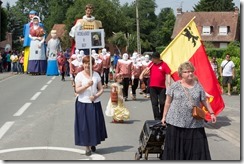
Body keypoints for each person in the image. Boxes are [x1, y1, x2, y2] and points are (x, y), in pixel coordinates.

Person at [161, 61, 217, 160]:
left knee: (195, 148)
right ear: (181, 74)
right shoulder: (174, 86)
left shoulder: (198, 86)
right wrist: (164, 116)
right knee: (176, 148)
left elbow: (204, 100)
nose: (190, 73)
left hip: (194, 123)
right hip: (176, 122)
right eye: (186, 72)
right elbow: (168, 102)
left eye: (191, 71)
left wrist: (212, 113)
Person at [74, 55, 107, 156]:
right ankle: (87, 146)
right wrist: (86, 85)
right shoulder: (79, 75)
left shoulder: (96, 75)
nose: (87, 65)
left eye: (89, 64)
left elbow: (101, 89)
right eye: (85, 63)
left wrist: (96, 95)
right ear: (82, 64)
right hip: (83, 103)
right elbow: (77, 90)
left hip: (94, 103)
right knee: (84, 126)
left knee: (94, 124)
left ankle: (93, 142)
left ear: (93, 65)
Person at [139, 52, 171, 120]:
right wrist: (142, 75)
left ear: (157, 58)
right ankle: (157, 117)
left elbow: (168, 74)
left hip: (162, 87)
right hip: (152, 86)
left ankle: (163, 116)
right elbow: (146, 69)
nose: (152, 60)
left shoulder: (164, 65)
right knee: (154, 103)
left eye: (153, 58)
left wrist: (168, 84)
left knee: (162, 102)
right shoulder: (152, 64)